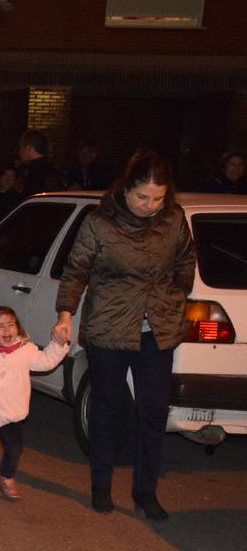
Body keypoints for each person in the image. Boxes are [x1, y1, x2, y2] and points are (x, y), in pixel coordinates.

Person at [52, 153, 195, 520]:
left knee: (154, 410)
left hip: (157, 330)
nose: (149, 206)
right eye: (142, 197)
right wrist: (65, 314)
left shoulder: (174, 220)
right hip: (109, 327)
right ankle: (101, 485)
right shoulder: (99, 223)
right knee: (107, 406)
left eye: (157, 198)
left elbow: (185, 263)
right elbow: (76, 270)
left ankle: (145, 491)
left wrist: (174, 297)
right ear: (126, 189)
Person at [0, 305, 69, 500]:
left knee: (15, 448)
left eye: (11, 325)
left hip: (12, 412)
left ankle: (6, 478)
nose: (7, 330)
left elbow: (46, 361)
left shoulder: (26, 350)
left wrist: (58, 343)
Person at [16, 130, 67, 196]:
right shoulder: (50, 170)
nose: (19, 152)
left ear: (29, 148)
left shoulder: (35, 173)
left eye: (21, 148)